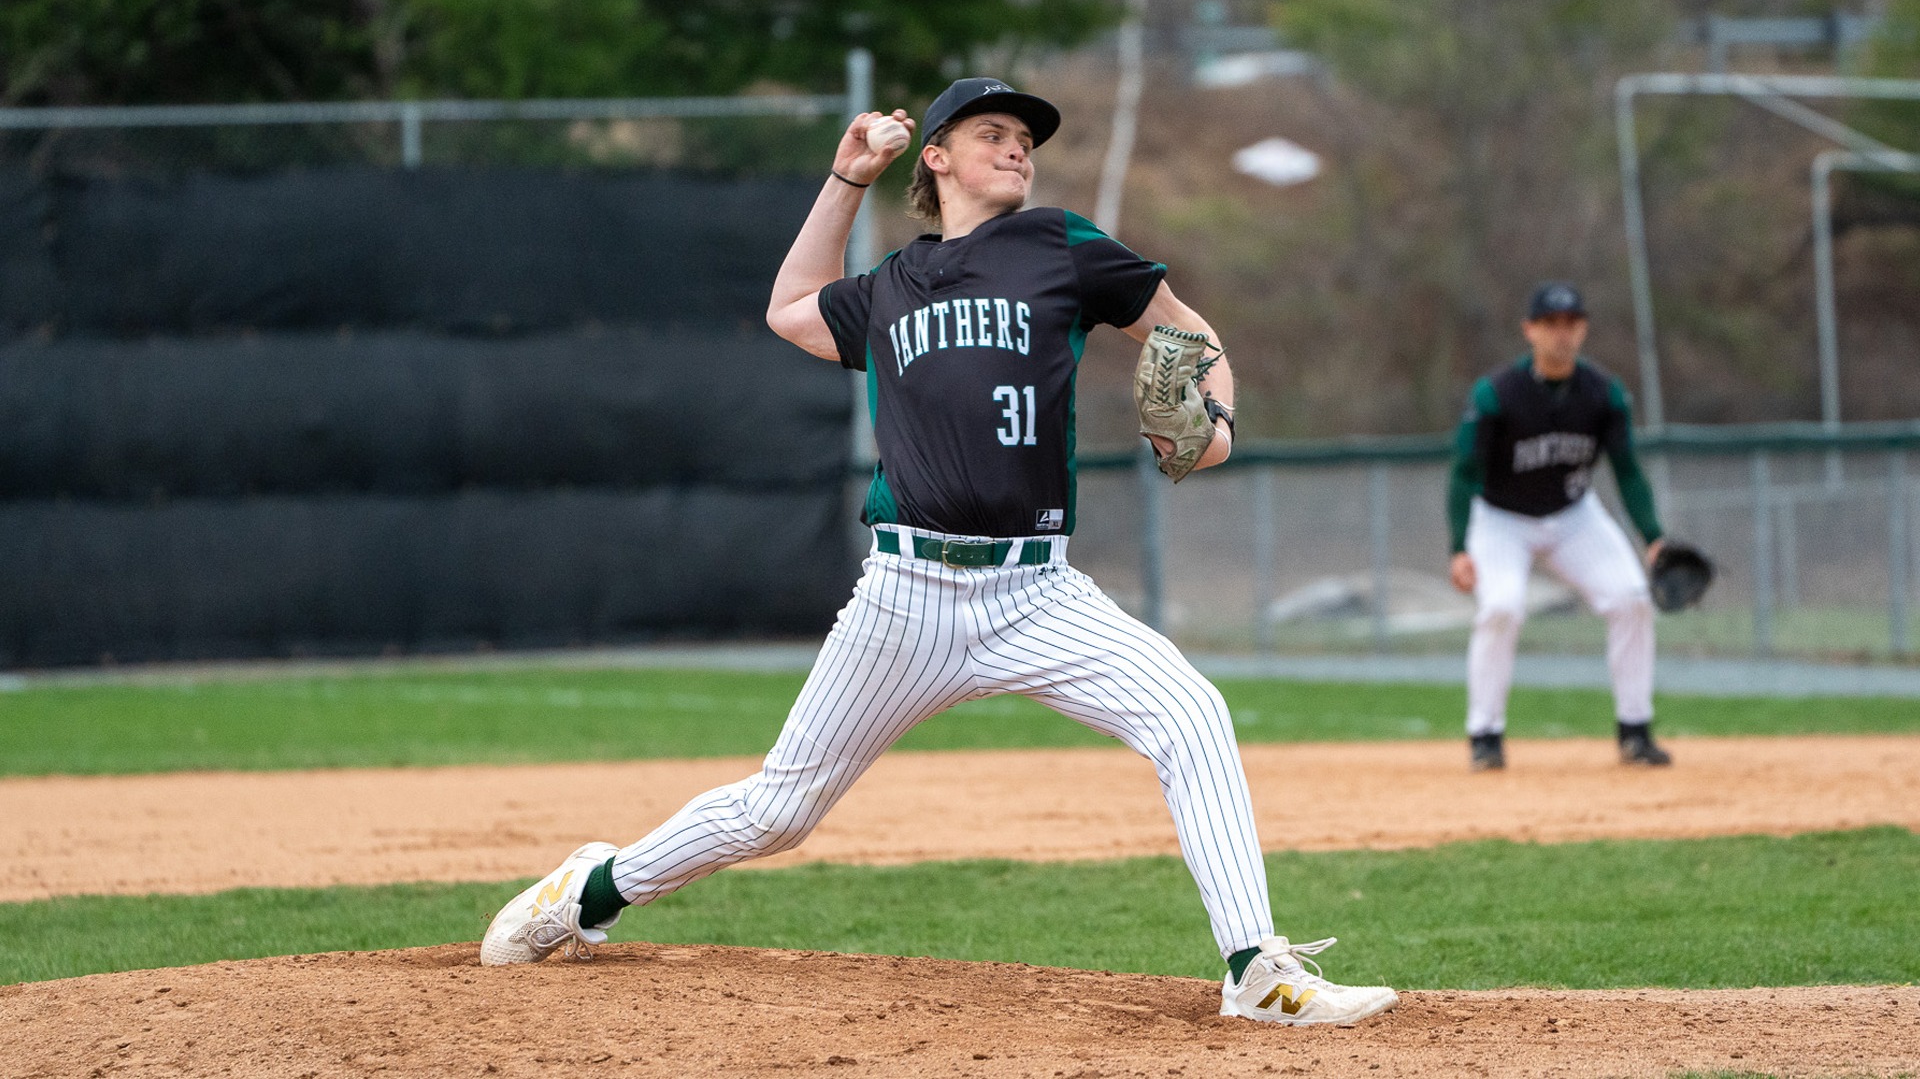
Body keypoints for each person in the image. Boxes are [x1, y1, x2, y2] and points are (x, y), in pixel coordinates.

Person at [479, 76, 1399, 1027]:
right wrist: (845, 179)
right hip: (905, 593)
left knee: (1193, 715)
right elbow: (792, 309)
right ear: (937, 157)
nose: (1016, 149)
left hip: (1040, 594)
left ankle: (1255, 971)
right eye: (991, 133)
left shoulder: (1059, 244)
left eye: (1024, 138)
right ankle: (588, 895)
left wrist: (1214, 416)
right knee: (779, 813)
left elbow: (1179, 327)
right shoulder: (892, 286)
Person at [1446, 282, 1673, 772]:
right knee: (1501, 608)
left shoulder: (1604, 394)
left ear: (1583, 329)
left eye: (1571, 323)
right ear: (1530, 330)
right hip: (1501, 518)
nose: (1561, 334)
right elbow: (1464, 473)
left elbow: (1628, 472)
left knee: (1633, 598)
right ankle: (1485, 735)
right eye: (1551, 323)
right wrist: (1459, 547)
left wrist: (1653, 537)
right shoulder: (1497, 395)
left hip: (1574, 517)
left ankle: (1635, 731)